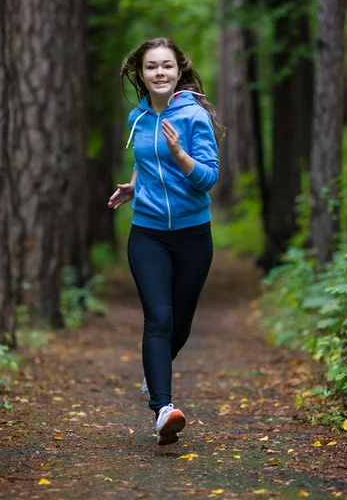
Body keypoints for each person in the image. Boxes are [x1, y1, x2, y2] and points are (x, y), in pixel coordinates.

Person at [108, 37, 225, 446]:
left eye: (167, 66)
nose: (160, 73)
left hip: (193, 234)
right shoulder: (137, 119)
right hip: (148, 233)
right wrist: (134, 186)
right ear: (140, 74)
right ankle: (163, 408)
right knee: (158, 320)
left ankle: (153, 380)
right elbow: (145, 160)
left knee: (180, 323)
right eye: (152, 67)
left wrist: (180, 155)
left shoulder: (194, 116)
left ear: (178, 71)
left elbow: (208, 178)